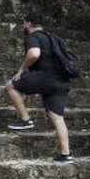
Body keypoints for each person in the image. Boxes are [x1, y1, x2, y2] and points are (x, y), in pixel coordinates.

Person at [4, 12, 72, 162]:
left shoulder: (33, 37)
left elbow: (34, 54)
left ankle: (25, 119)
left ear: (28, 24)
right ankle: (65, 154)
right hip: (60, 81)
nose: (23, 27)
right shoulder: (51, 37)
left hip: (44, 77)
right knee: (57, 117)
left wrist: (21, 70)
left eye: (24, 24)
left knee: (10, 86)